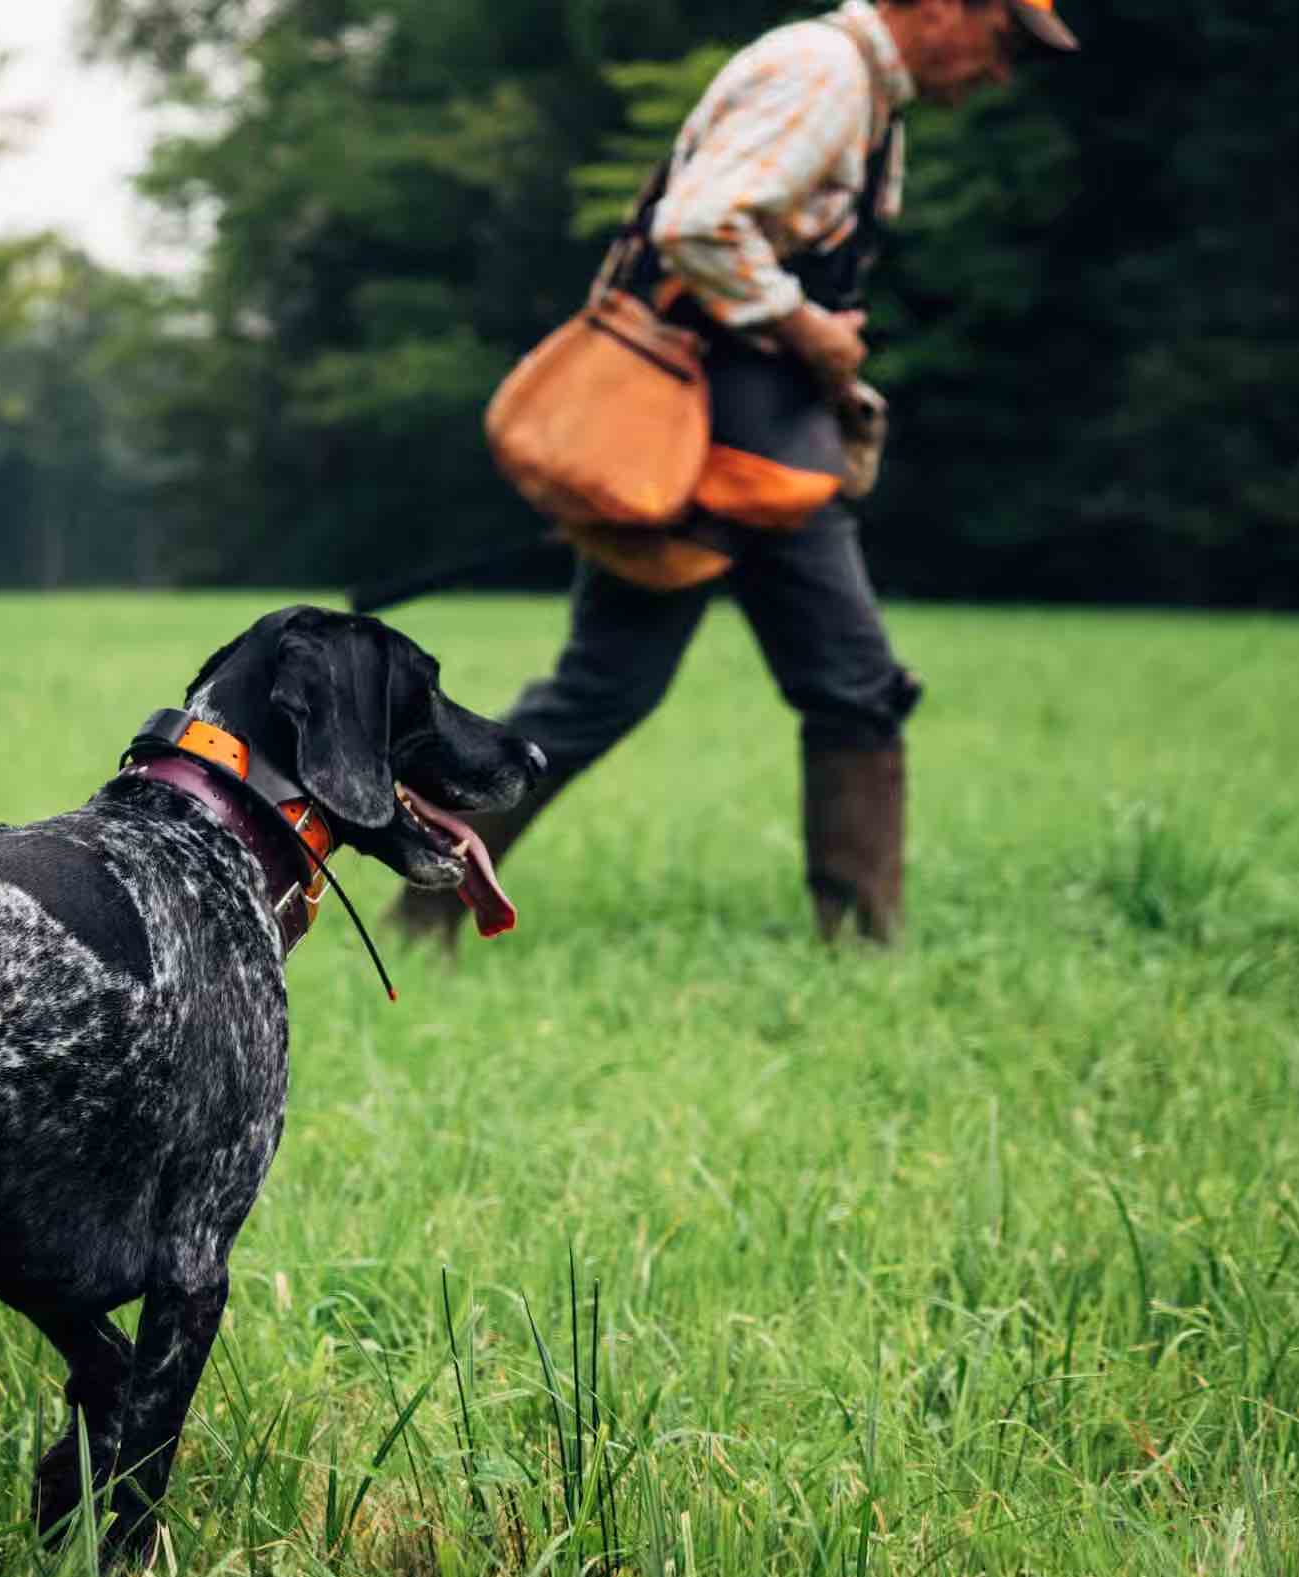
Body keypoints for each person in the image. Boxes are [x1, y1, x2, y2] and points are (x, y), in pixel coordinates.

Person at [394, 0, 1078, 946]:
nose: (1000, 72)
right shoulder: (826, 75)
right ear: (943, 7)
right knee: (760, 689)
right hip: (717, 444)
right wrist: (814, 332)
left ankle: (425, 904)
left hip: (751, 444)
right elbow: (702, 224)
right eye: (1003, 41)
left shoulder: (867, 94)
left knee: (814, 688)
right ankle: (862, 948)